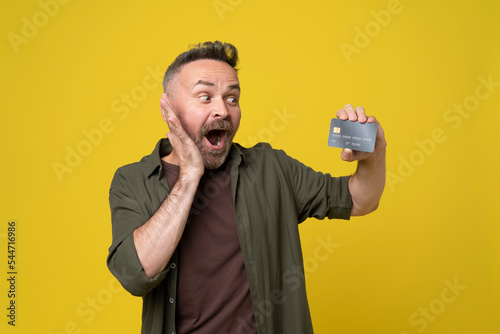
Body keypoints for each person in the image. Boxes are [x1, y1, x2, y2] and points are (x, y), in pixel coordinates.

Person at [107, 41, 386, 334]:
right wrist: (189, 176)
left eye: (232, 99)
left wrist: (374, 155)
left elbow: (360, 200)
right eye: (205, 97)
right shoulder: (133, 180)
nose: (222, 110)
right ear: (169, 109)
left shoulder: (271, 168)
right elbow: (136, 274)